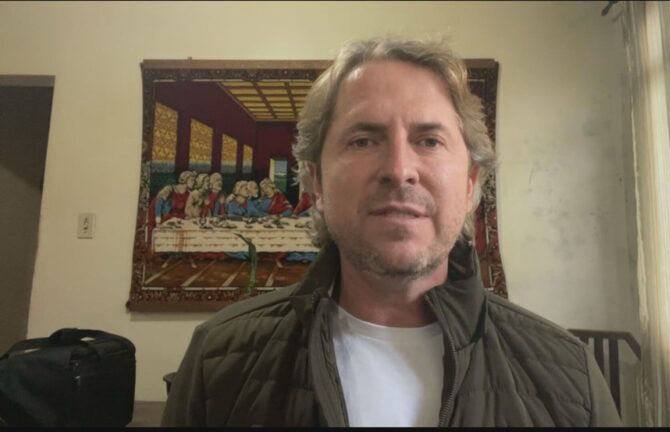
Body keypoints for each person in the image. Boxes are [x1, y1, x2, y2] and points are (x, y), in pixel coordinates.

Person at [162, 36, 621, 427]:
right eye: (363, 140)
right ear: (316, 182)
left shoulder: (572, 380)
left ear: (469, 184)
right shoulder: (217, 363)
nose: (400, 170)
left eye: (429, 141)